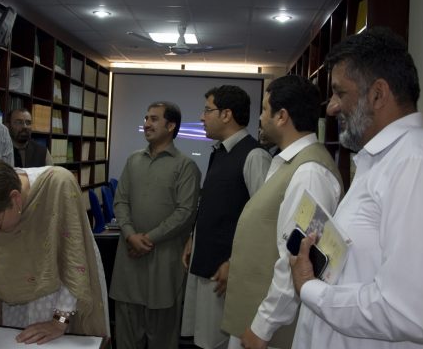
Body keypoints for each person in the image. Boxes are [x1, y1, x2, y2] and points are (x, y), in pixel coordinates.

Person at [289, 27, 423, 349]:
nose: (331, 107)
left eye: (340, 93)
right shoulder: (381, 161)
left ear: (378, 94)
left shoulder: (418, 167)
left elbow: (409, 312)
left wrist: (309, 287)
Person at [221, 75, 343, 349]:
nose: (260, 117)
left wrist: (263, 327)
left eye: (265, 109)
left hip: (274, 331)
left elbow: (295, 259)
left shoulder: (309, 172)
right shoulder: (290, 162)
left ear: (282, 116)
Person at [0, 158, 109, 344]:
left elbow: (75, 264)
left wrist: (59, 322)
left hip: (65, 301)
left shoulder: (58, 186)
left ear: (15, 199)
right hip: (15, 303)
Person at [181, 85, 271, 349]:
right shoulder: (219, 152)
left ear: (226, 114)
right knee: (203, 339)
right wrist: (193, 237)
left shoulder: (254, 156)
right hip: (206, 260)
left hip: (226, 271)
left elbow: (263, 223)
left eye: (207, 110)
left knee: (218, 341)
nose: (202, 117)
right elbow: (215, 204)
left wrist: (235, 263)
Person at [109, 101, 202, 349]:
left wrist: (148, 239)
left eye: (154, 119)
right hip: (129, 263)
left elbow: (185, 212)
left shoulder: (186, 166)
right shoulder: (133, 160)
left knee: (162, 338)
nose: (147, 124)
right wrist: (130, 235)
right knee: (126, 338)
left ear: (171, 126)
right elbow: (121, 201)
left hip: (163, 264)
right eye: (146, 118)